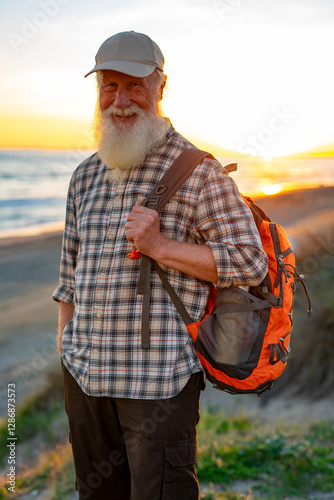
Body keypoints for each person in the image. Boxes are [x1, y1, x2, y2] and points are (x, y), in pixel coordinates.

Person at [53, 30, 268, 500]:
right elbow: (69, 273)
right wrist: (65, 344)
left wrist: (162, 246)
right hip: (85, 378)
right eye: (109, 85)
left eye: (135, 85)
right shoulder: (85, 174)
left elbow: (250, 262)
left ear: (160, 86)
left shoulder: (198, 172)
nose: (121, 99)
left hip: (158, 384)